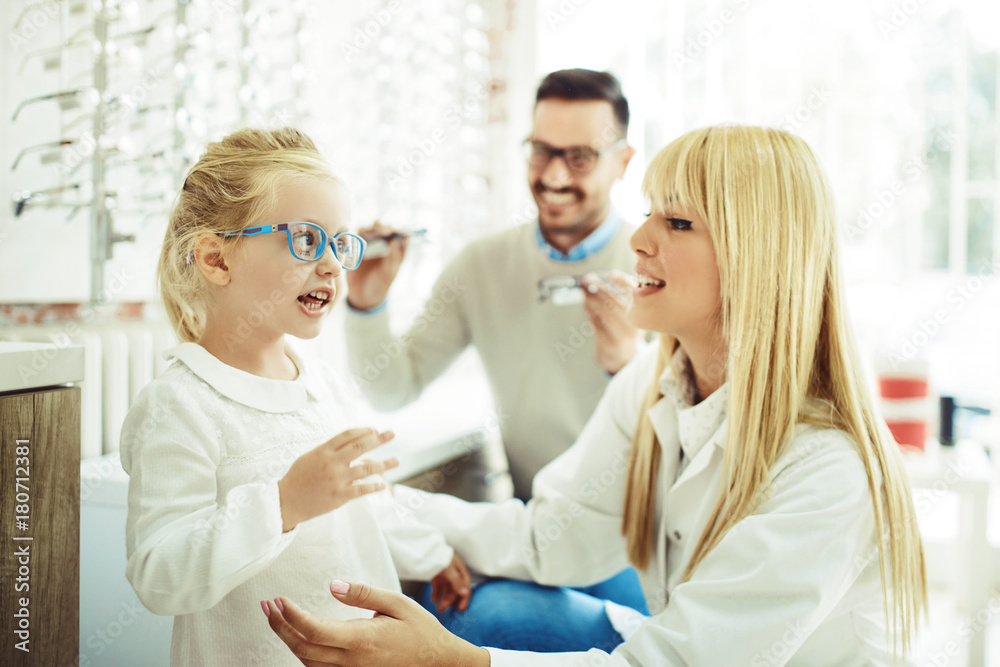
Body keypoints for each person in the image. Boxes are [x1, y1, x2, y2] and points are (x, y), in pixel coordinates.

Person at [263, 125, 928, 665]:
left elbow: (680, 664)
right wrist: (374, 505)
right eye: (647, 215)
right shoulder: (655, 379)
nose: (638, 241)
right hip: (673, 635)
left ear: (755, 255)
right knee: (479, 610)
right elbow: (553, 537)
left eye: (678, 223)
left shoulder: (829, 469)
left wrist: (457, 663)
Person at [120, 127, 473, 667]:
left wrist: (433, 554)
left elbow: (364, 499)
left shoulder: (321, 383)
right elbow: (160, 577)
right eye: (307, 240)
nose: (332, 264)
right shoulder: (179, 405)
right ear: (216, 259)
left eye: (339, 242)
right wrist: (282, 505)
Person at [345, 68, 640, 502]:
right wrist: (366, 305)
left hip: (640, 537)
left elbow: (693, 438)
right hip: (534, 526)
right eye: (542, 152)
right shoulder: (481, 265)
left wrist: (628, 367)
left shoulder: (654, 264)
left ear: (623, 163)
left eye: (580, 157)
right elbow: (391, 389)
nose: (555, 177)